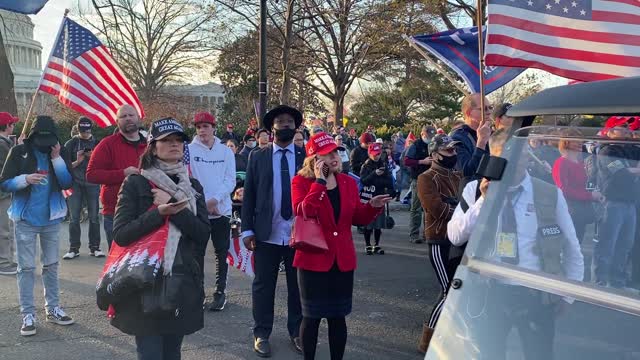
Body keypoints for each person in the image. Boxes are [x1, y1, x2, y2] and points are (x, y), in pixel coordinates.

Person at [447, 129, 584, 360]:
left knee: (539, 354)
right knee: (489, 354)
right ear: (494, 157)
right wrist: (483, 202)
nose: (514, 163)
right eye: (506, 157)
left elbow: (572, 246)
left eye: (520, 155)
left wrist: (568, 294)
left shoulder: (548, 193)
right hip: (489, 291)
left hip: (535, 291)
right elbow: (455, 235)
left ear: (527, 156)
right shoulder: (474, 190)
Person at [110, 118, 210, 359]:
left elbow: (202, 233)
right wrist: (158, 214)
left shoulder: (192, 186)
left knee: (173, 352)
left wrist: (173, 207)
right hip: (145, 282)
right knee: (151, 353)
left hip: (181, 279)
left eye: (178, 140)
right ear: (153, 147)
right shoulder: (136, 182)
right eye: (167, 140)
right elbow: (121, 234)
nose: (174, 145)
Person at [292, 132, 391, 360]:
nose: (334, 157)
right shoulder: (301, 182)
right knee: (311, 318)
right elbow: (304, 211)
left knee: (338, 318)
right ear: (313, 159)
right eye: (326, 154)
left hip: (342, 261)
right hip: (313, 261)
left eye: (335, 152)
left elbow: (357, 218)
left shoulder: (347, 181)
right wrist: (319, 182)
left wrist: (372, 206)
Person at [0, 115, 75, 336]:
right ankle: (28, 314)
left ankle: (53, 309)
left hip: (52, 219)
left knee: (51, 265)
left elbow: (67, 182)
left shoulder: (59, 152)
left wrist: (56, 158)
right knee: (26, 268)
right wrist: (24, 179)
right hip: (25, 219)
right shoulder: (19, 151)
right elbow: (4, 182)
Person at [241, 105, 306, 357]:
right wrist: (247, 230)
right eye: (280, 121)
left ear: (296, 126)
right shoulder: (257, 156)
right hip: (265, 233)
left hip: (297, 234)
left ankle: (297, 331)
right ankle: (261, 333)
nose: (286, 124)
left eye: (290, 121)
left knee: (297, 286)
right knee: (263, 286)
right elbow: (250, 196)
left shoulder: (305, 157)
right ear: (272, 127)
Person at [416, 135, 463, 353]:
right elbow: (436, 209)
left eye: (454, 151)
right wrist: (463, 213)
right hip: (438, 239)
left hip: (457, 239)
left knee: (455, 289)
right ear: (435, 155)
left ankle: (448, 334)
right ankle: (427, 340)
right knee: (448, 291)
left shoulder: (455, 175)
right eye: (449, 151)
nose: (453, 155)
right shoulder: (426, 178)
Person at [187, 112, 236, 311]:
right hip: (198, 211)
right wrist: (203, 203)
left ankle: (220, 292)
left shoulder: (226, 152)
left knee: (221, 252)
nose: (202, 131)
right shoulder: (188, 150)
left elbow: (230, 180)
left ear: (213, 128)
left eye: (205, 126)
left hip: (221, 210)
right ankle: (197, 293)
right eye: (198, 127)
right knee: (196, 254)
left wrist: (215, 200)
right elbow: (186, 179)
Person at [87, 104, 147, 250]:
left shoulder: (151, 145)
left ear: (138, 117)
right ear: (117, 121)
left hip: (146, 211)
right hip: (116, 212)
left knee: (143, 262)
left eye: (131, 115)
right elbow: (91, 175)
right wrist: (122, 174)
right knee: (118, 261)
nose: (128, 119)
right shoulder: (107, 144)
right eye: (123, 116)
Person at [593, 124, 640, 288]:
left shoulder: (630, 150)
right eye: (621, 129)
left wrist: (633, 169)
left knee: (625, 245)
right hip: (613, 203)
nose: (627, 131)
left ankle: (617, 280)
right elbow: (620, 171)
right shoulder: (607, 150)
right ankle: (601, 279)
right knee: (608, 243)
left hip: (630, 203)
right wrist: (635, 169)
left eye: (628, 130)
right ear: (610, 132)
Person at [63, 117, 103, 259]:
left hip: (92, 182)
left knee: (94, 217)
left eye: (86, 131)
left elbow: (103, 166)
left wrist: (93, 157)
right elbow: (64, 167)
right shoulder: (71, 143)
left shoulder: (98, 144)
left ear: (91, 129)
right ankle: (74, 248)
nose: (84, 134)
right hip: (75, 183)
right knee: (74, 217)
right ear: (78, 129)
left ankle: (95, 247)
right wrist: (78, 161)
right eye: (82, 131)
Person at [552, 129, 601, 244]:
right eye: (575, 140)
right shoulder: (561, 162)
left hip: (580, 211)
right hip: (569, 210)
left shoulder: (579, 163)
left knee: (578, 242)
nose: (580, 143)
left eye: (580, 140)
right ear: (566, 143)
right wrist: (590, 196)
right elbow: (563, 190)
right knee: (569, 244)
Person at [359, 143, 395, 255]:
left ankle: (376, 244)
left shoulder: (383, 164)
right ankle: (368, 245)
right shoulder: (365, 166)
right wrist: (374, 174)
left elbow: (389, 181)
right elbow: (364, 181)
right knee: (368, 224)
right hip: (368, 197)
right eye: (374, 154)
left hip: (380, 196)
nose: (376, 156)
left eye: (378, 154)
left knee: (378, 224)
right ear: (369, 154)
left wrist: (390, 193)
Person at [404, 125, 435, 243]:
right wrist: (422, 161)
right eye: (428, 136)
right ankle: (414, 234)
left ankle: (427, 233)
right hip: (418, 179)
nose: (430, 139)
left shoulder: (433, 145)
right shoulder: (415, 145)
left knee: (429, 208)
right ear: (422, 134)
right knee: (416, 208)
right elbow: (406, 161)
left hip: (431, 178)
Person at [450, 93, 492, 178]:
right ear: (469, 113)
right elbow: (466, 172)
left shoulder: (492, 133)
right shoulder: (458, 138)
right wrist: (481, 143)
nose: (489, 112)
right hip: (475, 189)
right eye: (484, 109)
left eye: (490, 107)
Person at [0, 112, 18, 275]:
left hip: (5, 192)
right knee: (4, 230)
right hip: (2, 193)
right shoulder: (2, 144)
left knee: (7, 228)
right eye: (11, 124)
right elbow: (10, 166)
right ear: (7, 126)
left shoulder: (5, 143)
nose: (13, 126)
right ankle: (4, 262)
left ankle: (8, 260)